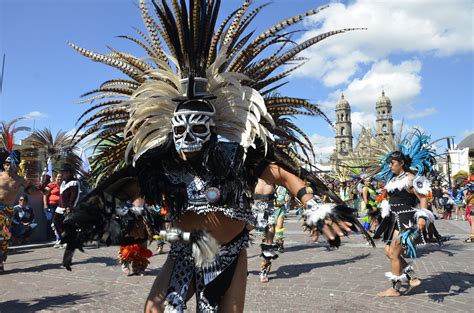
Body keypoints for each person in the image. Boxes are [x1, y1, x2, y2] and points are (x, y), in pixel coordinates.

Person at [59, 1, 373, 312]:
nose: (187, 138)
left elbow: (281, 173)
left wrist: (316, 207)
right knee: (156, 311)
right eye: (181, 129)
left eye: (198, 128)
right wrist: (97, 218)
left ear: (211, 130)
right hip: (186, 250)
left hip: (230, 252)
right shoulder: (158, 164)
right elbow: (124, 188)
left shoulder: (234, 157)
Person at [375, 131, 436, 297]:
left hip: (406, 220)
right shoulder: (393, 179)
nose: (389, 166)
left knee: (394, 253)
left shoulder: (410, 178)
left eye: (392, 163)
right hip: (393, 219)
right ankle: (411, 276)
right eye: (389, 163)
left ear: (401, 163)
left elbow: (423, 198)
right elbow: (387, 196)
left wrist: (422, 217)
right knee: (388, 252)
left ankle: (394, 289)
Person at [0, 153, 34, 272]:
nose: (8, 166)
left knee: (4, 237)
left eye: (10, 163)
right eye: (6, 163)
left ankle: (0, 262)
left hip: (8, 211)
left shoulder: (20, 179)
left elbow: (30, 190)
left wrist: (42, 188)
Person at [53, 163, 79, 248]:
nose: (62, 174)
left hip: (68, 208)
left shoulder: (74, 183)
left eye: (63, 172)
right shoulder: (64, 182)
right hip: (60, 208)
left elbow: (74, 196)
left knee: (67, 225)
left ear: (69, 173)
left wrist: (70, 207)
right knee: (56, 222)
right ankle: (62, 239)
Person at [43, 173, 62, 242]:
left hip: (60, 206)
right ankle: (49, 237)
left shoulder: (64, 185)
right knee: (50, 220)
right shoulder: (52, 185)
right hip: (52, 205)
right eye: (58, 177)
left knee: (58, 221)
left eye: (61, 177)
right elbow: (45, 194)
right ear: (55, 178)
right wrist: (45, 205)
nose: (59, 179)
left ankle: (57, 237)